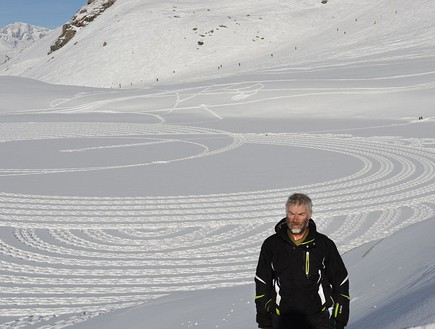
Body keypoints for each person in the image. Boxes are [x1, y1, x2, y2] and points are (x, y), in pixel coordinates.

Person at [255, 193, 350, 329]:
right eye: (291, 213)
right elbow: (262, 282)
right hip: (282, 319)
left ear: (309, 215)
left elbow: (341, 280)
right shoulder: (272, 245)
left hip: (318, 319)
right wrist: (264, 322)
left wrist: (339, 318)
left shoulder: (323, 244)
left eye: (301, 214)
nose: (295, 219)